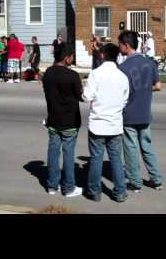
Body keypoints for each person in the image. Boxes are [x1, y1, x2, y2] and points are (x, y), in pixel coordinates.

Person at [82, 43, 129, 202]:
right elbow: (124, 100)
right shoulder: (122, 76)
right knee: (116, 159)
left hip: (98, 124)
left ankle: (95, 192)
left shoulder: (95, 74)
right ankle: (120, 192)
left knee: (96, 158)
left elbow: (86, 97)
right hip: (115, 124)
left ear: (102, 55)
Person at [118, 30, 163, 193]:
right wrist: (145, 88)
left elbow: (121, 92)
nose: (119, 47)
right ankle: (156, 179)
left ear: (126, 45)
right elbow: (158, 86)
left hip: (129, 113)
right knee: (147, 146)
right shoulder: (150, 63)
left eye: (120, 44)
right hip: (144, 112)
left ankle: (135, 182)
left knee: (130, 147)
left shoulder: (122, 67)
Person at [42, 45, 83, 197]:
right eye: (72, 56)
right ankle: (69, 187)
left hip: (53, 119)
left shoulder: (47, 73)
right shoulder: (72, 75)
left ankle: (52, 186)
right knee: (68, 153)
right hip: (70, 121)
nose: (73, 59)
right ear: (66, 57)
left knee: (53, 152)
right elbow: (81, 96)